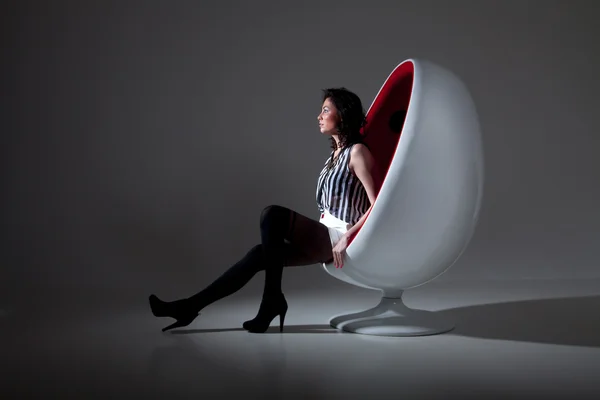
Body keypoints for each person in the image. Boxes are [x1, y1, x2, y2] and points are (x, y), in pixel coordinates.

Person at [148, 87, 381, 333]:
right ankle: (189, 307)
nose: (319, 116)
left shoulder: (357, 152)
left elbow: (377, 204)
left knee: (273, 215)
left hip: (341, 237)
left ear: (342, 115)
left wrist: (347, 237)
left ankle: (271, 300)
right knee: (259, 255)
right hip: (325, 235)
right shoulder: (333, 157)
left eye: (325, 110)